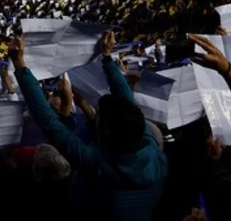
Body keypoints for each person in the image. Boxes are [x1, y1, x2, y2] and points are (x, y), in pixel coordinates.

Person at [8, 31, 167, 220]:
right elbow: (128, 103)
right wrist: (107, 58)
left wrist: (20, 65)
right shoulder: (154, 152)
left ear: (106, 131)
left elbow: (48, 121)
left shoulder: (97, 165)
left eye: (99, 117)